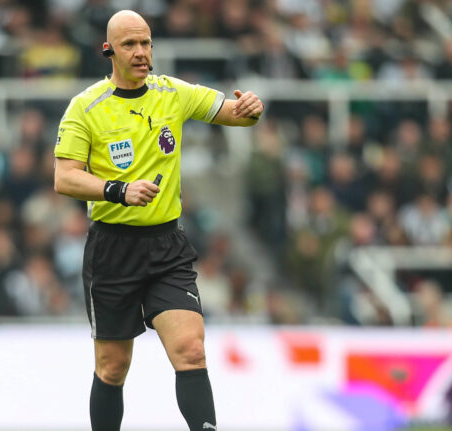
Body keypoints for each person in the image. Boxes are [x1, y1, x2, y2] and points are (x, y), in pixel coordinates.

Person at [53, 10, 264, 431]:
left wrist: (250, 109)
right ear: (108, 50)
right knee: (113, 367)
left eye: (146, 43)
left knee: (191, 350)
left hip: (167, 245)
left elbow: (233, 113)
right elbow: (65, 177)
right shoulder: (86, 108)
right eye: (130, 44)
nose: (141, 52)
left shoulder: (173, 93)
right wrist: (119, 190)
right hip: (112, 249)